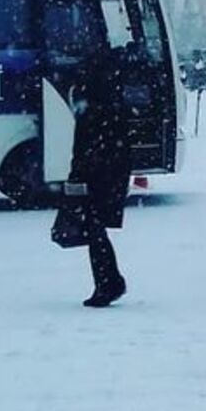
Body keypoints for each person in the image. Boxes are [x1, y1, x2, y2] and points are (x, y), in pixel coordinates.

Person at [62, 46, 132, 307]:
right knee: (96, 225)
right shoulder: (111, 98)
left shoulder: (91, 103)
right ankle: (108, 281)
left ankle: (109, 282)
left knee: (94, 225)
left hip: (98, 171)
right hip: (113, 167)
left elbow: (83, 144)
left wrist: (77, 173)